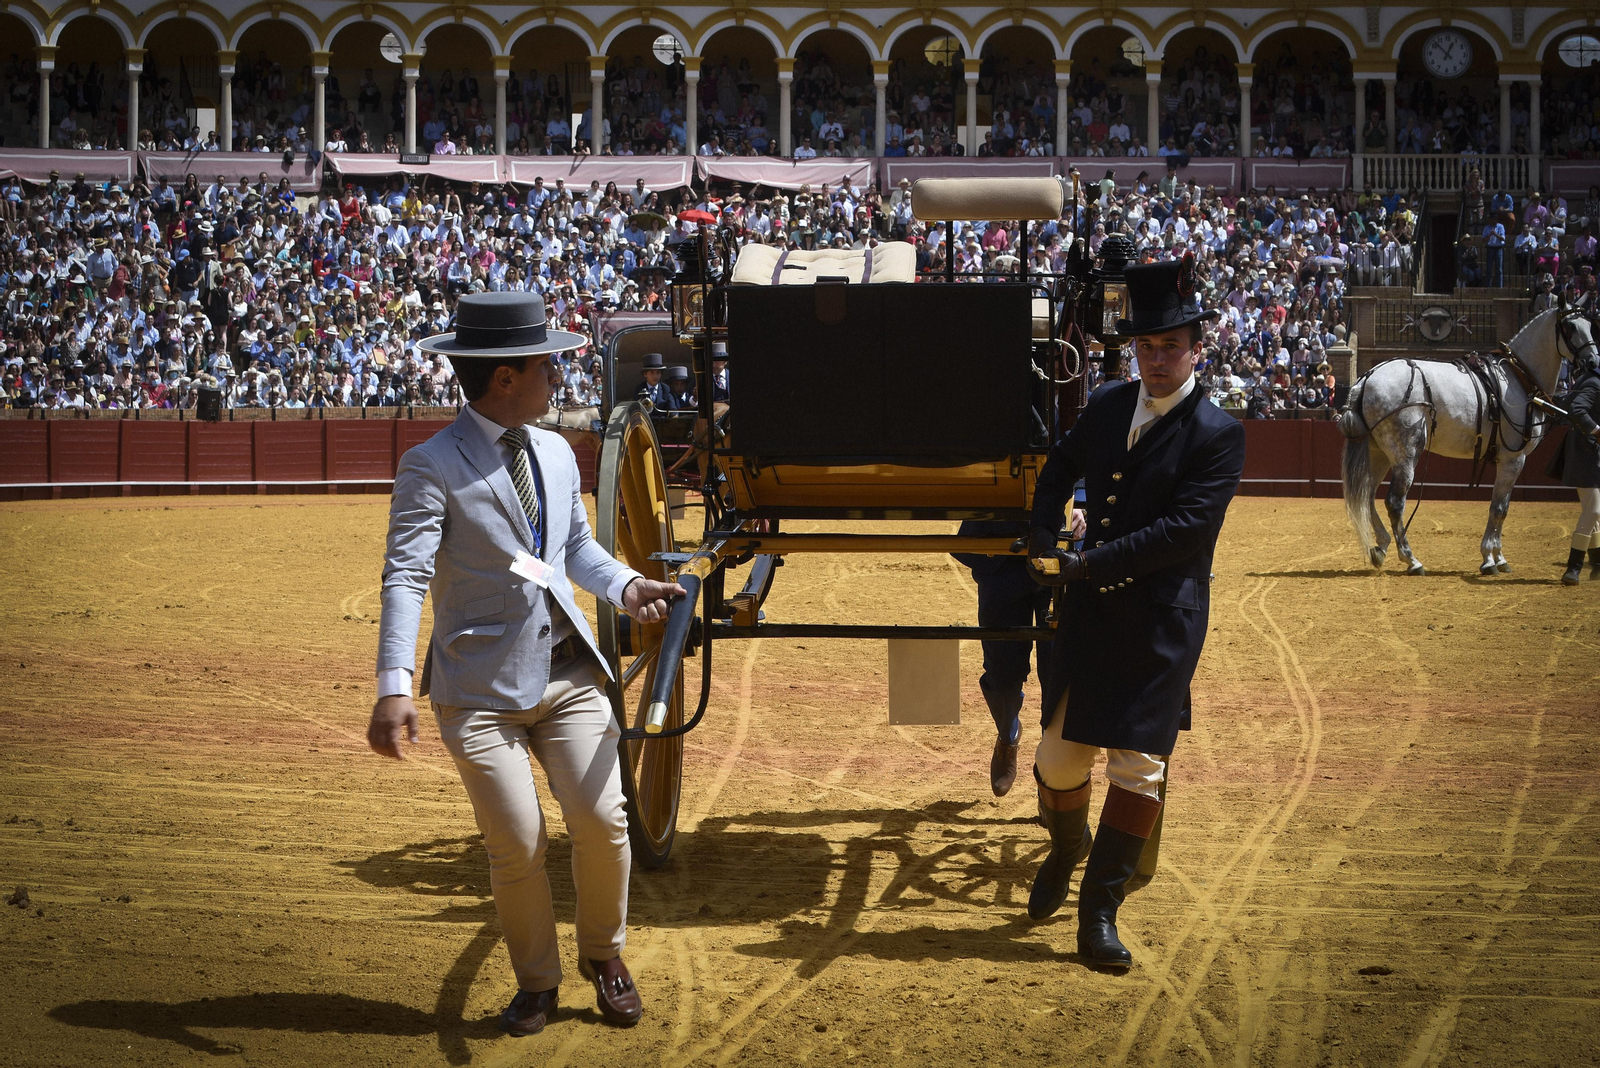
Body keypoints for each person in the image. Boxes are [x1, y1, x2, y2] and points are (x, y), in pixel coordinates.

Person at [368, 292, 684, 1036]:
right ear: (504, 378)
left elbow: (575, 551)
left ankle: (604, 956)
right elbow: (405, 575)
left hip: (567, 672)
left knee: (604, 822)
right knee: (518, 842)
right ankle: (537, 982)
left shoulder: (548, 449)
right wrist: (393, 686)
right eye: (548, 366)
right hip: (478, 692)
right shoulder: (430, 466)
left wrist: (629, 584)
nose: (558, 379)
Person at [1022, 253, 1246, 968]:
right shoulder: (1109, 405)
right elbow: (1059, 466)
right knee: (1058, 763)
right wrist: (1040, 527)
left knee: (1138, 768)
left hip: (1159, 621)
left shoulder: (1218, 433)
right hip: (1090, 616)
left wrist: (1086, 563)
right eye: (1146, 347)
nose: (1155, 359)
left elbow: (1185, 533)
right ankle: (1066, 849)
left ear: (1195, 348)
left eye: (1169, 346)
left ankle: (1099, 913)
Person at [1552, 344, 1600, 585]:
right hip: (1586, 453)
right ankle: (1573, 568)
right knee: (1593, 511)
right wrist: (1597, 430)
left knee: (1594, 512)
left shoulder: (1592, 380)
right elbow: (1577, 409)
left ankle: (1598, 564)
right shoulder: (1594, 383)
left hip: (1591, 453)